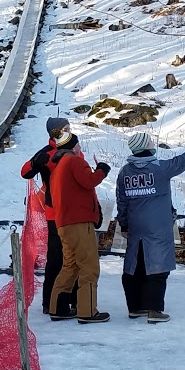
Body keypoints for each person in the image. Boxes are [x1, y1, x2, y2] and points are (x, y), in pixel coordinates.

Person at [116, 127, 185, 323]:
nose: (154, 146)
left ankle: (136, 307)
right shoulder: (160, 168)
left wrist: (124, 224)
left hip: (136, 227)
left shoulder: (125, 172)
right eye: (151, 143)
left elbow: (121, 200)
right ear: (145, 147)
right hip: (158, 227)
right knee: (158, 267)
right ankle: (154, 310)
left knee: (136, 265)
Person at [47, 122, 111, 324]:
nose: (80, 149)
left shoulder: (58, 166)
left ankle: (56, 307)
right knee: (89, 267)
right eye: (79, 146)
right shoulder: (74, 162)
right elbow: (89, 181)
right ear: (73, 147)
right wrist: (102, 170)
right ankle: (87, 311)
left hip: (64, 223)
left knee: (71, 265)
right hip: (79, 222)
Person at [20, 117, 76, 315]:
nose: (70, 131)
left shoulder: (75, 149)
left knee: (75, 258)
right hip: (55, 213)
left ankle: (73, 300)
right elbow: (25, 172)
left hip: (75, 212)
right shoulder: (46, 153)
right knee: (57, 259)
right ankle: (50, 302)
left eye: (70, 128)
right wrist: (36, 163)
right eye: (66, 128)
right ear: (55, 131)